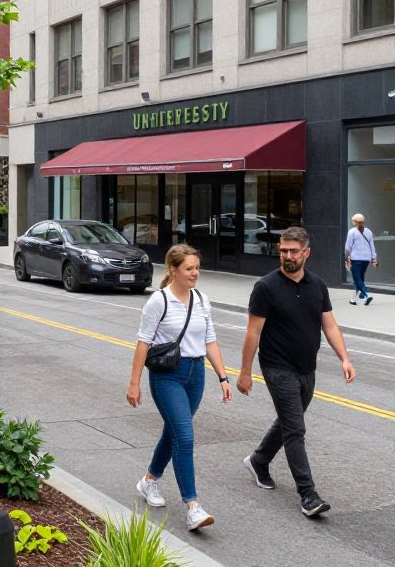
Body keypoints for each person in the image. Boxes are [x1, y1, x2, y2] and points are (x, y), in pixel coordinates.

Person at [238, 226, 356, 518]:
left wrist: (345, 357)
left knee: (290, 421)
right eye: (282, 251)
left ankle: (259, 459)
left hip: (307, 368)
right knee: (296, 430)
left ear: (306, 253)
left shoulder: (317, 285)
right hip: (277, 367)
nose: (287, 256)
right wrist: (245, 372)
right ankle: (308, 494)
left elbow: (329, 324)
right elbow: (253, 333)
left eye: (293, 251)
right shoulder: (265, 287)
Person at [126, 244, 230, 532]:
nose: (195, 273)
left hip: (196, 373)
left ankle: (148, 481)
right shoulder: (159, 301)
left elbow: (210, 339)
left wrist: (222, 377)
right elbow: (143, 342)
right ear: (173, 269)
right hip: (167, 376)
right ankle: (193, 507)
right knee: (184, 436)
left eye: (197, 268)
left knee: (173, 434)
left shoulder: (201, 299)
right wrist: (134, 384)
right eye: (189, 269)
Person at [344, 213, 377, 305]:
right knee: (360, 279)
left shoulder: (352, 232)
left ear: (355, 222)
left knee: (357, 278)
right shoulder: (369, 232)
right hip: (366, 259)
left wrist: (347, 257)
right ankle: (353, 299)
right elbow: (372, 246)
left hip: (356, 259)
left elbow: (347, 247)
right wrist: (374, 259)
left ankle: (366, 295)